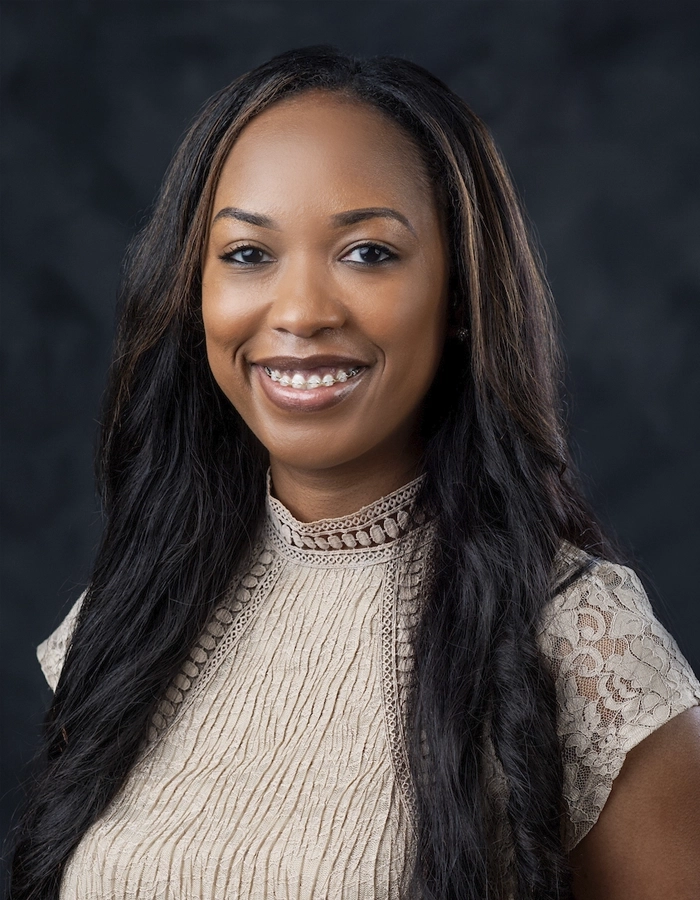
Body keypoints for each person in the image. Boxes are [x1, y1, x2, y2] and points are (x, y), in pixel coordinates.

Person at [9, 47, 700, 900]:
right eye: (248, 254)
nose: (300, 312)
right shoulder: (138, 607)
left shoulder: (580, 642)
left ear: (459, 296)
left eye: (368, 253)